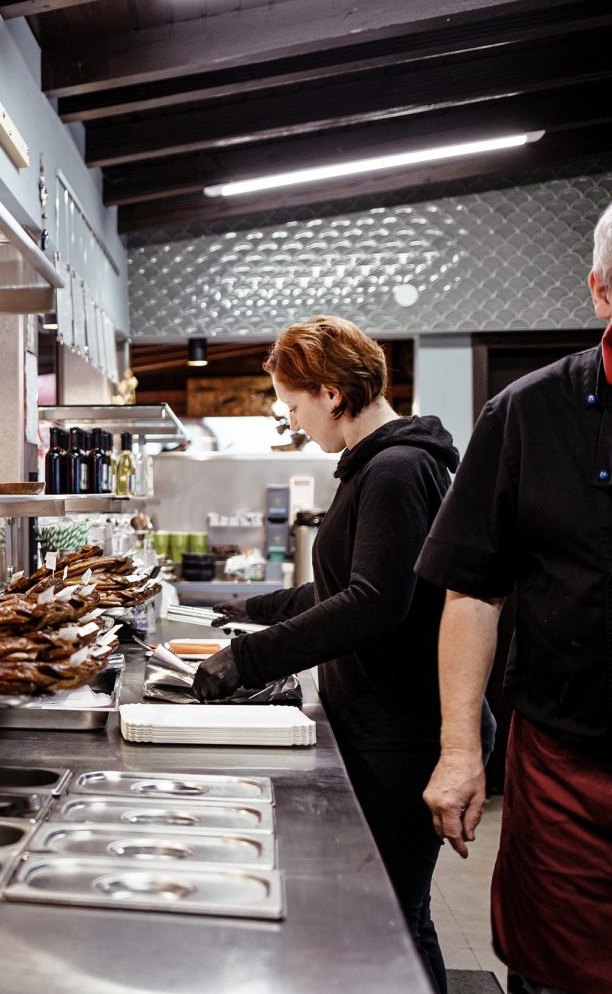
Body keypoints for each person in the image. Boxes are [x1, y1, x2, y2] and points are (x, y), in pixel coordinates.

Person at [191, 315, 490, 994]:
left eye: (292, 405)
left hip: (402, 733)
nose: (292, 422)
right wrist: (252, 609)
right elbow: (344, 584)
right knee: (394, 916)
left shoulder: (397, 468)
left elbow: (374, 601)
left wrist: (247, 661)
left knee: (391, 924)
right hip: (381, 725)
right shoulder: (376, 466)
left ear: (331, 393)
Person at [417, 202, 612, 994]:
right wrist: (461, 750)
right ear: (601, 292)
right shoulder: (528, 412)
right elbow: (473, 590)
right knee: (557, 977)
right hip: (570, 768)